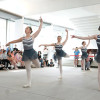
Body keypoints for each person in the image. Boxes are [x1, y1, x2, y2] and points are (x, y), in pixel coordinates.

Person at [6, 17, 43, 88]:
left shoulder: (33, 36)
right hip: (26, 53)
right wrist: (9, 42)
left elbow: (39, 29)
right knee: (28, 69)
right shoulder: (22, 38)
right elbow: (16, 40)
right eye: (25, 28)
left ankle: (33, 63)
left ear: (30, 31)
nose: (25, 29)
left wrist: (41, 22)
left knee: (38, 66)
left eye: (27, 28)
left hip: (32, 52)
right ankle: (29, 83)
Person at [71, 26, 100, 90]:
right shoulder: (96, 36)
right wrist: (76, 36)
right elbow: (85, 38)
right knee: (99, 71)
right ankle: (99, 87)